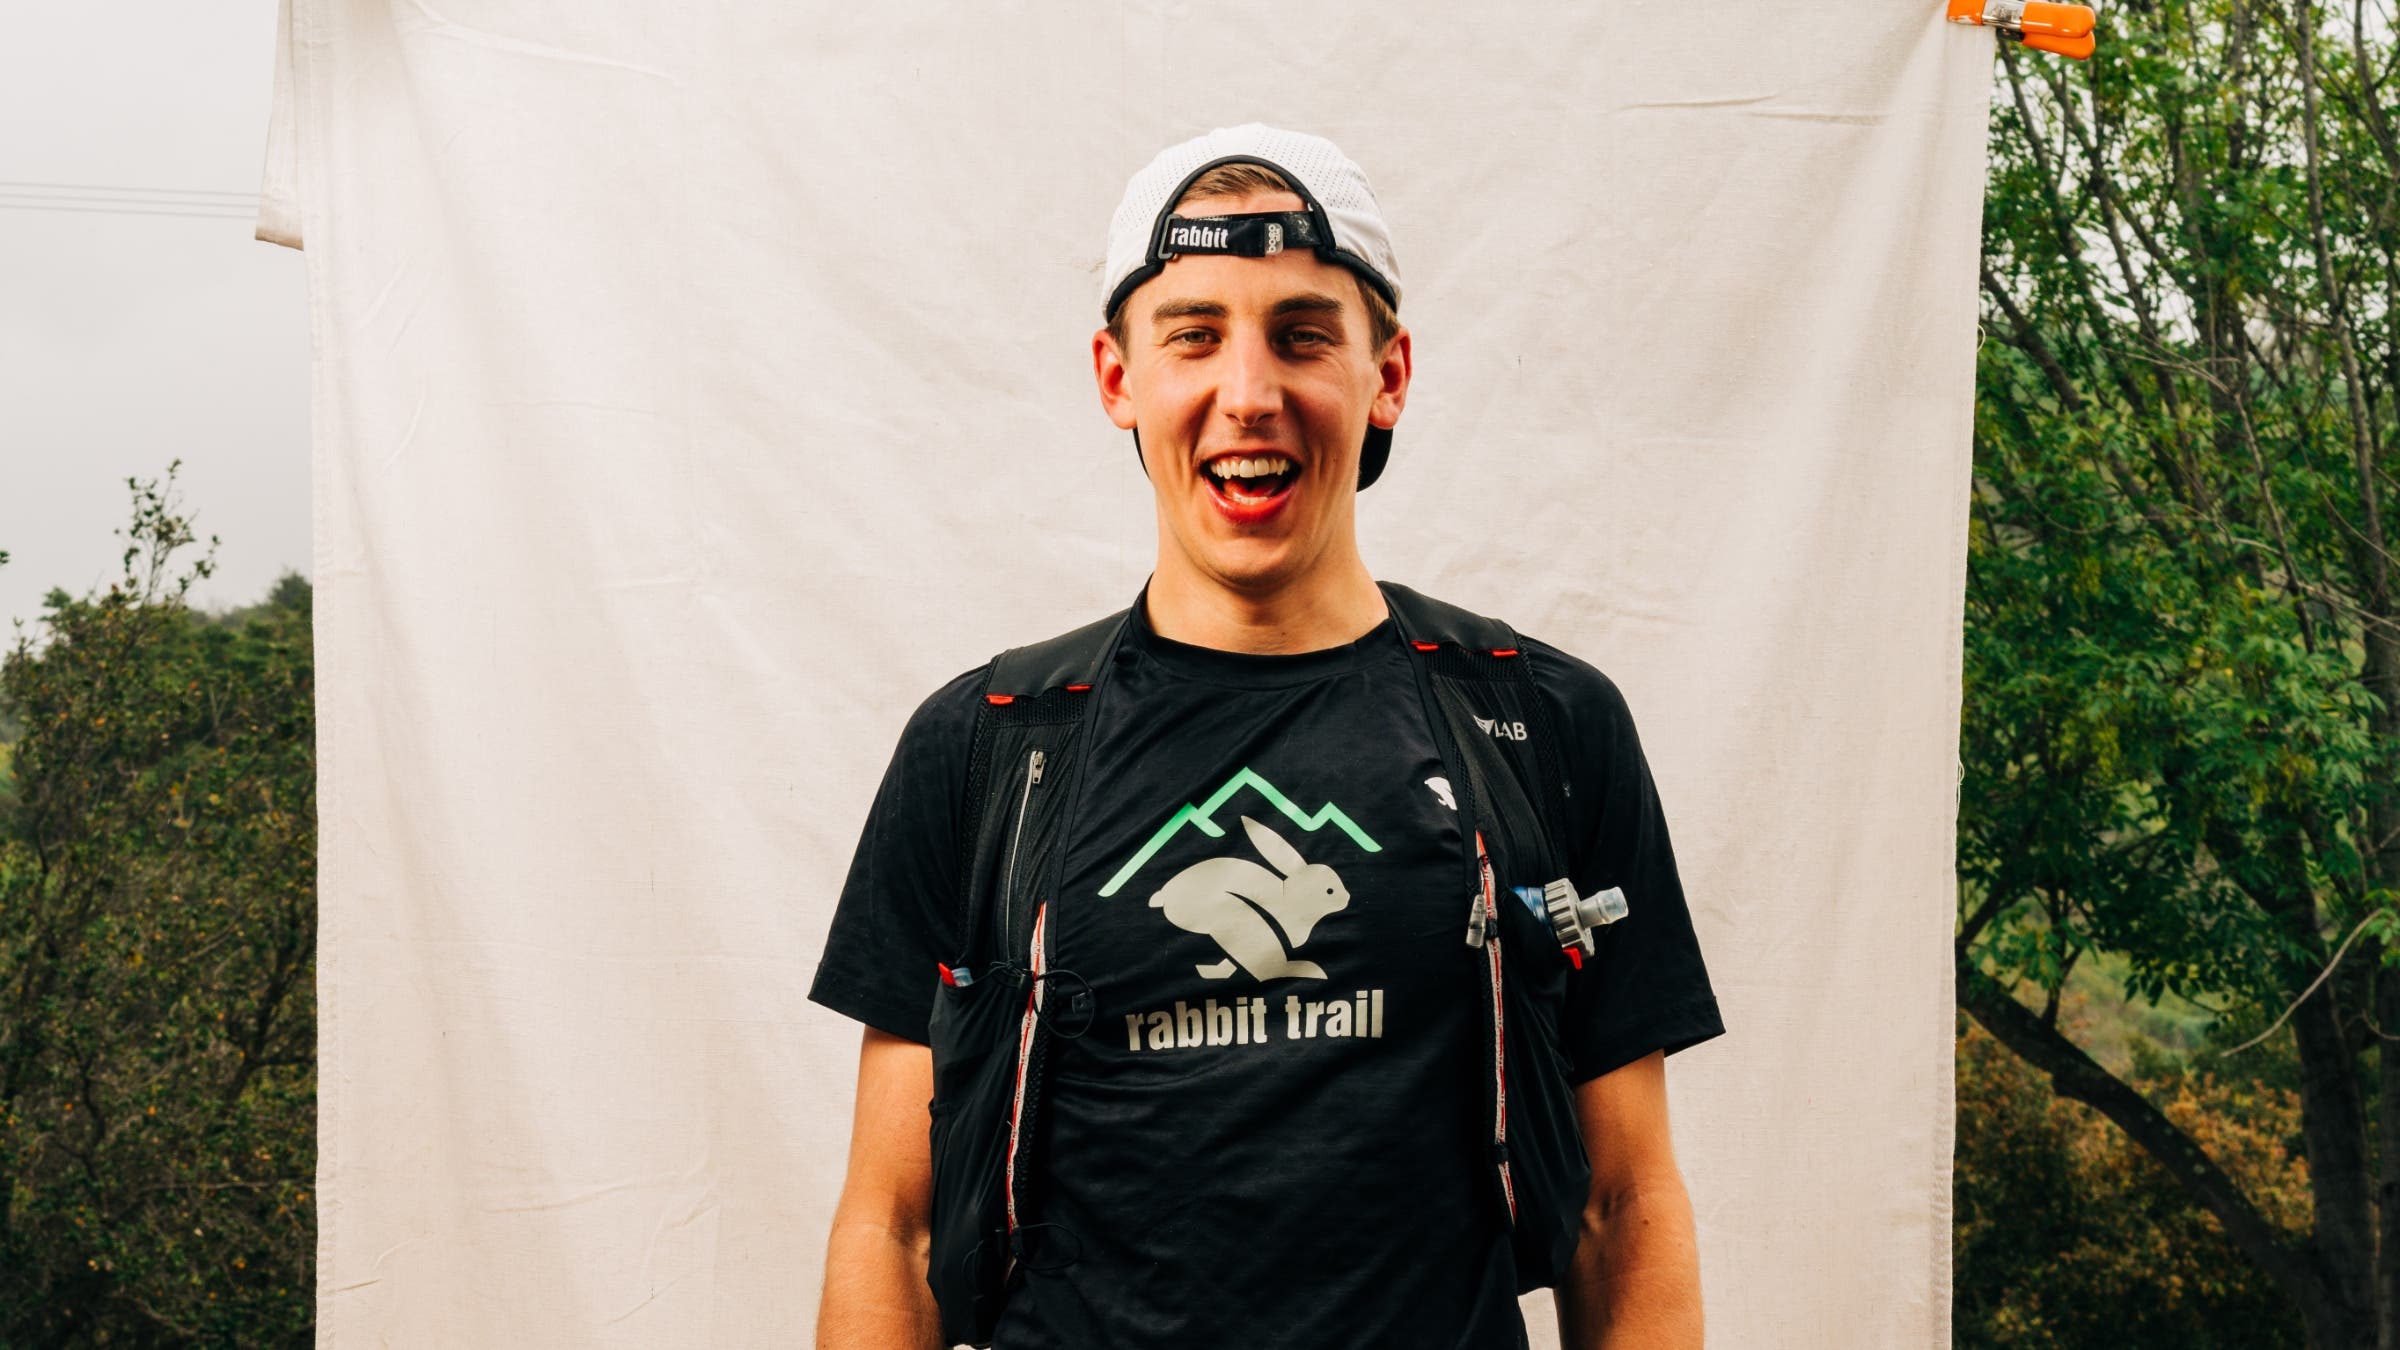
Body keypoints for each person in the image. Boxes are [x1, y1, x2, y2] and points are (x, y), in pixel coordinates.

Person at [809, 123, 1725, 1349]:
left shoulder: (1543, 725)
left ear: (1386, 373)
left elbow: (1623, 1208)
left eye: (1302, 335)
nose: (1249, 393)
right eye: (1194, 334)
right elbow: (895, 1230)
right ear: (1117, 375)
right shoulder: (984, 748)